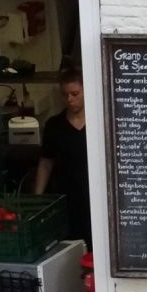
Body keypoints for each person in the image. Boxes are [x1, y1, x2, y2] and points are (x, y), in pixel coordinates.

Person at [32, 70, 93, 248]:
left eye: (75, 94)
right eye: (65, 95)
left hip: (94, 193)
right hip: (66, 196)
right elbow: (46, 162)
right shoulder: (54, 125)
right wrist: (37, 197)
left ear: (86, 90)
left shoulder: (99, 121)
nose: (70, 99)